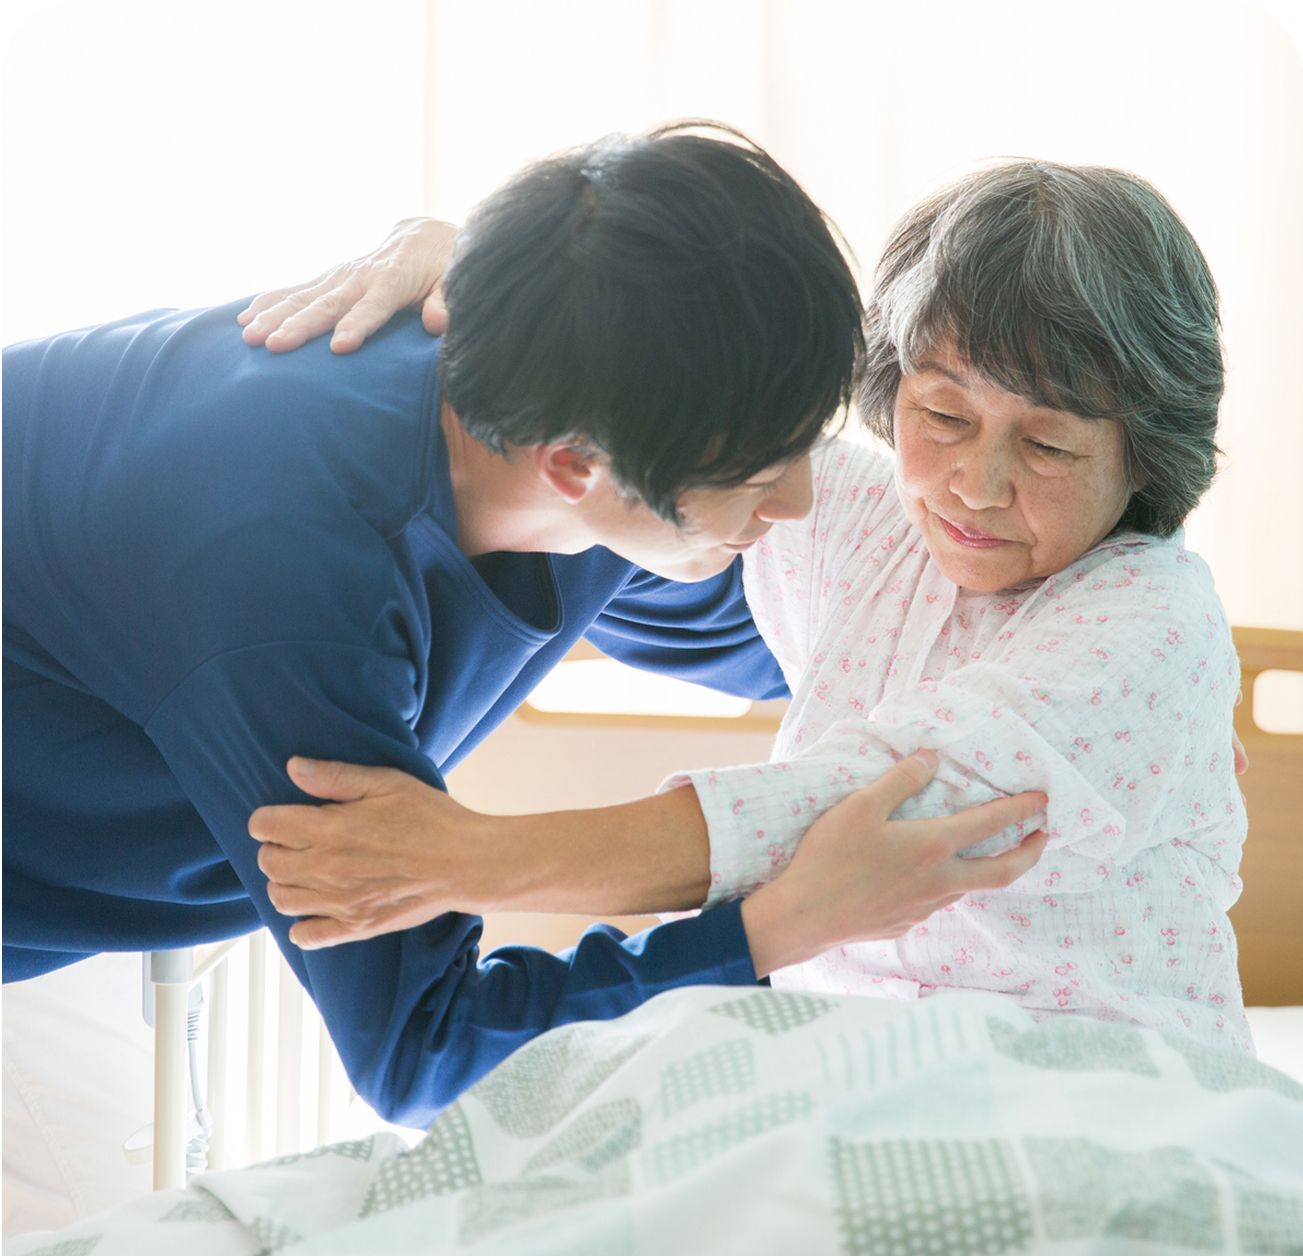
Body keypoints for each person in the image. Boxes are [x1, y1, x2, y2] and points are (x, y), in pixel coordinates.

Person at [2, 124, 1048, 1129]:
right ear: (576, 466)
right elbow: (429, 1051)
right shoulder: (289, 588)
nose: (799, 506)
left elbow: (831, 645)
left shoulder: (577, 407)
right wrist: (788, 919)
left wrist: (1098, 687)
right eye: (756, 475)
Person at [245, 160, 1250, 1050]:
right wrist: (480, 265)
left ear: (1142, 452)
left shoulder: (1151, 624)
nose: (973, 485)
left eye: (1047, 446)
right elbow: (668, 373)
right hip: (841, 1075)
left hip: (1099, 1081)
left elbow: (839, 807)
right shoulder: (872, 519)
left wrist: (465, 858)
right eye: (941, 413)